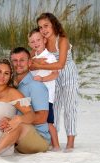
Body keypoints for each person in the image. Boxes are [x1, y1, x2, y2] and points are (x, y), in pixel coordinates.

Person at [0, 47, 51, 160]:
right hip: (13, 137)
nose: (18, 64)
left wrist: (16, 120)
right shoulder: (11, 85)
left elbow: (42, 117)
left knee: (18, 124)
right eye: (14, 60)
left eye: (22, 60)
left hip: (38, 138)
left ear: (29, 62)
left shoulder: (36, 86)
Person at [31, 13, 79, 150]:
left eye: (46, 26)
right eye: (40, 27)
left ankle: (70, 142)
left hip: (68, 75)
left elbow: (60, 65)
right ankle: (54, 141)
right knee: (54, 108)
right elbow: (29, 58)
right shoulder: (42, 41)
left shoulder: (62, 40)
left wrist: (38, 65)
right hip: (52, 78)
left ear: (53, 24)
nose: (43, 30)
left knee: (70, 108)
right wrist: (34, 60)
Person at [28, 27, 60, 151]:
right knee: (37, 121)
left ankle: (56, 145)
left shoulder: (49, 57)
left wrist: (42, 79)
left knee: (48, 122)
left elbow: (55, 74)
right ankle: (47, 143)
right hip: (35, 96)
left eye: (38, 40)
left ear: (44, 40)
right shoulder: (32, 59)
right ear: (29, 44)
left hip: (47, 96)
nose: (36, 43)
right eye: (33, 41)